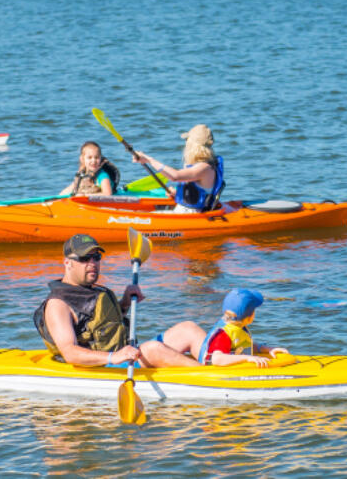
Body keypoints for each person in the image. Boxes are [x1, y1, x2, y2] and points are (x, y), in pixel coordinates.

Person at [34, 234, 207, 368]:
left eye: (96, 257)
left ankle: (218, 362)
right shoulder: (58, 304)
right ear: (67, 263)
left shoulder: (92, 290)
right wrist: (113, 357)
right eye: (85, 258)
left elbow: (103, 325)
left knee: (188, 329)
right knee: (152, 349)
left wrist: (124, 303)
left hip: (125, 356)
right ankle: (210, 376)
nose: (92, 263)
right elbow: (70, 353)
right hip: (107, 366)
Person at [130, 124, 225, 212]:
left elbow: (175, 176)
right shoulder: (203, 165)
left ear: (193, 145)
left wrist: (149, 160)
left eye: (186, 140)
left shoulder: (204, 168)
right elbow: (199, 191)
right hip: (187, 211)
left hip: (190, 215)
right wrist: (178, 193)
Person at [195, 289, 288, 368]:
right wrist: (247, 358)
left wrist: (267, 349)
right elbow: (217, 359)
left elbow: (241, 346)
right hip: (213, 373)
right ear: (249, 318)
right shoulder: (223, 334)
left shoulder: (238, 326)